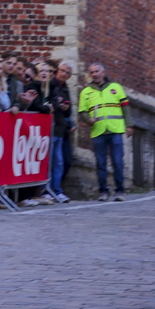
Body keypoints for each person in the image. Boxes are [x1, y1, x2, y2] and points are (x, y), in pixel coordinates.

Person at [79, 62, 128, 201]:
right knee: (101, 164)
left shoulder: (116, 87)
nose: (94, 74)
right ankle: (103, 191)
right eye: (92, 72)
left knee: (117, 162)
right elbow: (82, 111)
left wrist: (129, 125)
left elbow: (125, 108)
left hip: (115, 130)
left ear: (103, 72)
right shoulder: (86, 92)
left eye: (96, 71)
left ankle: (120, 191)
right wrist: (88, 119)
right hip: (98, 132)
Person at [44, 65, 73, 203]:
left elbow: (69, 111)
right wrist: (57, 104)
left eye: (67, 73)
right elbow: (46, 104)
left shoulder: (66, 89)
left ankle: (57, 190)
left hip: (60, 129)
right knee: (48, 163)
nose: (64, 74)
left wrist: (66, 108)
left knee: (59, 163)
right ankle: (46, 190)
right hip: (49, 128)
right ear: (57, 71)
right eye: (62, 71)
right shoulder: (49, 85)